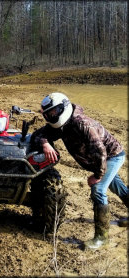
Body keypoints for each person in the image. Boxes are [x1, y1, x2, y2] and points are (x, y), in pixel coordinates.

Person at [31, 92, 128, 250]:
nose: (51, 116)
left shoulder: (81, 123)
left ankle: (102, 238)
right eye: (48, 114)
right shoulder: (61, 126)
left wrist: (97, 175)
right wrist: (45, 144)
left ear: (64, 108)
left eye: (54, 112)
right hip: (100, 159)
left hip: (112, 156)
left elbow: (100, 151)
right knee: (116, 186)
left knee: (98, 189)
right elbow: (38, 134)